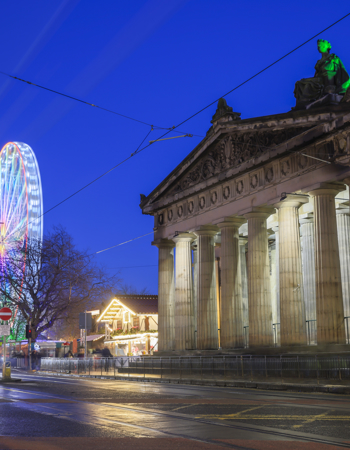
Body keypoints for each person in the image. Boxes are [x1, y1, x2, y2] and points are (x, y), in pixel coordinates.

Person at [294, 39, 350, 109]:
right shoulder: (319, 62)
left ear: (327, 47)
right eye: (318, 46)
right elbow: (316, 75)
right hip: (319, 80)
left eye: (321, 45)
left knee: (306, 85)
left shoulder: (333, 58)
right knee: (300, 84)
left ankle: (305, 104)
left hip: (328, 82)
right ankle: (303, 104)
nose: (319, 47)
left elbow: (341, 72)